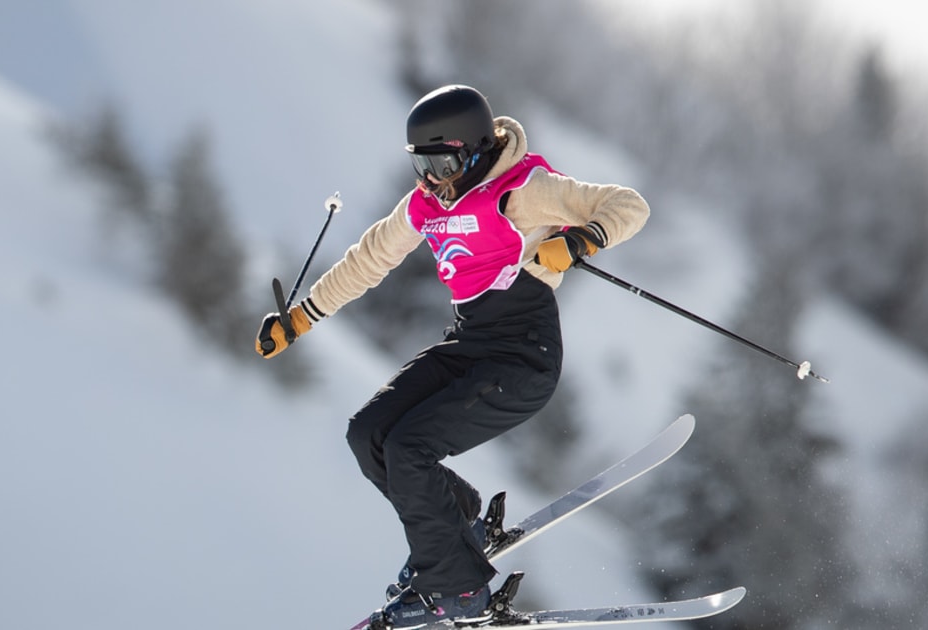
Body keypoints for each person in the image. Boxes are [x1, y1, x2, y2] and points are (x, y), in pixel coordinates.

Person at [256, 84, 649, 627]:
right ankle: (459, 525)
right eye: (422, 166)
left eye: (442, 161)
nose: (432, 179)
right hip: (469, 344)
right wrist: (301, 317)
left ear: (474, 149)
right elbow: (370, 258)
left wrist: (584, 238)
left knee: (409, 448)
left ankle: (460, 592)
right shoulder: (426, 204)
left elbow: (628, 204)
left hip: (521, 358)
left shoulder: (522, 191)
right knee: (367, 434)